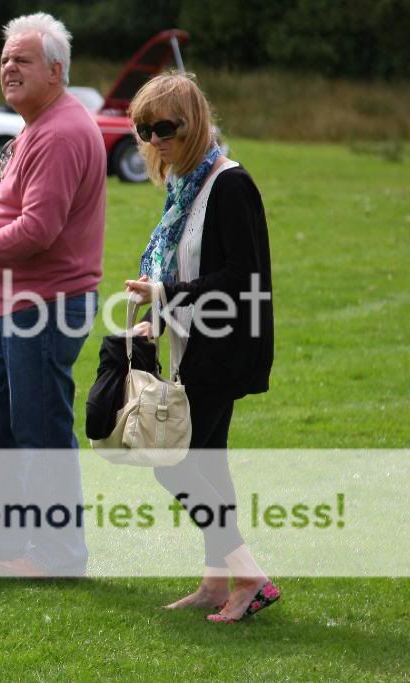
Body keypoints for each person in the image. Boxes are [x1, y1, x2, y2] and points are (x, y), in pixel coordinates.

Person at [0, 12, 105, 577]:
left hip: (45, 308)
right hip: (19, 308)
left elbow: (37, 232)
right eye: (5, 59)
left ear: (55, 71)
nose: (8, 67)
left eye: (22, 60)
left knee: (41, 432)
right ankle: (1, 539)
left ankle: (58, 558)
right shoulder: (39, 123)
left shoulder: (59, 132)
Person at [123, 72, 279, 622]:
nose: (154, 140)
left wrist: (165, 292)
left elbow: (243, 276)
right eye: (144, 130)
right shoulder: (185, 187)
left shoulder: (230, 184)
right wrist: (157, 320)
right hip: (194, 345)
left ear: (192, 125)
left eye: (164, 127)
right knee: (209, 463)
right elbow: (184, 266)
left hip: (225, 347)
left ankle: (249, 576)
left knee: (172, 460)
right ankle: (218, 582)